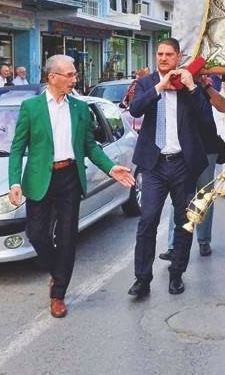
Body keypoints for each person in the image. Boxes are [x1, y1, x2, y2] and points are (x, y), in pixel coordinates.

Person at [8, 55, 134, 319]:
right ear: (52, 77)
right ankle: (58, 272)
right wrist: (14, 181)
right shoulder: (31, 107)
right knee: (37, 234)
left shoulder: (79, 108)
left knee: (67, 238)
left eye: (75, 75)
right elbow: (18, 147)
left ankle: (58, 294)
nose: (74, 80)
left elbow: (89, 146)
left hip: (69, 178)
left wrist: (111, 167)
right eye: (70, 75)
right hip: (40, 178)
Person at [127, 38, 214, 299]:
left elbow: (206, 120)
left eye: (168, 54)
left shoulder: (190, 83)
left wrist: (191, 88)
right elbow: (135, 108)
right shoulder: (146, 82)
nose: (163, 58)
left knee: (183, 221)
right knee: (147, 221)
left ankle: (176, 274)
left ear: (178, 57)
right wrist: (158, 88)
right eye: (160, 54)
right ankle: (142, 280)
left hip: (183, 165)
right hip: (154, 165)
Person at [159, 74, 225, 260]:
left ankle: (204, 240)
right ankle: (173, 246)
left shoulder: (203, 86)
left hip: (206, 146)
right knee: (178, 195)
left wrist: (206, 87)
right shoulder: (173, 83)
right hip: (182, 148)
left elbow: (223, 106)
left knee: (204, 195)